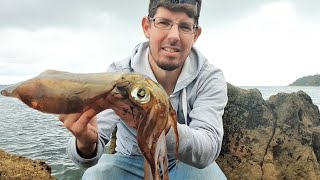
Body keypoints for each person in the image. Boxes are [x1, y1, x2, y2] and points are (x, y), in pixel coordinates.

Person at [59, 0, 228, 179]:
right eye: (163, 23)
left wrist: (155, 122)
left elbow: (208, 149)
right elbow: (90, 151)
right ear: (147, 26)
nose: (174, 36)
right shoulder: (120, 74)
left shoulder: (209, 77)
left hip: (183, 164)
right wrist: (85, 143)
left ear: (196, 34)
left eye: (185, 26)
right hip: (128, 163)